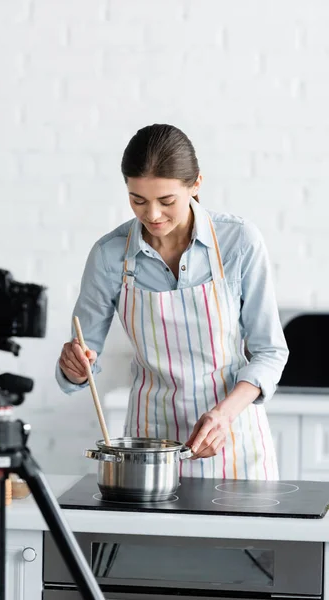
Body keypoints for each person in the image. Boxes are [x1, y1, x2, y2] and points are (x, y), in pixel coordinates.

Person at [56, 123, 289, 480]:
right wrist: (74, 366)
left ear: (196, 184)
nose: (152, 215)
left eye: (166, 201)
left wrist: (224, 415)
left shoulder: (239, 241)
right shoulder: (109, 255)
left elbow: (270, 351)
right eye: (138, 200)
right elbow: (81, 360)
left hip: (234, 437)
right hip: (148, 449)